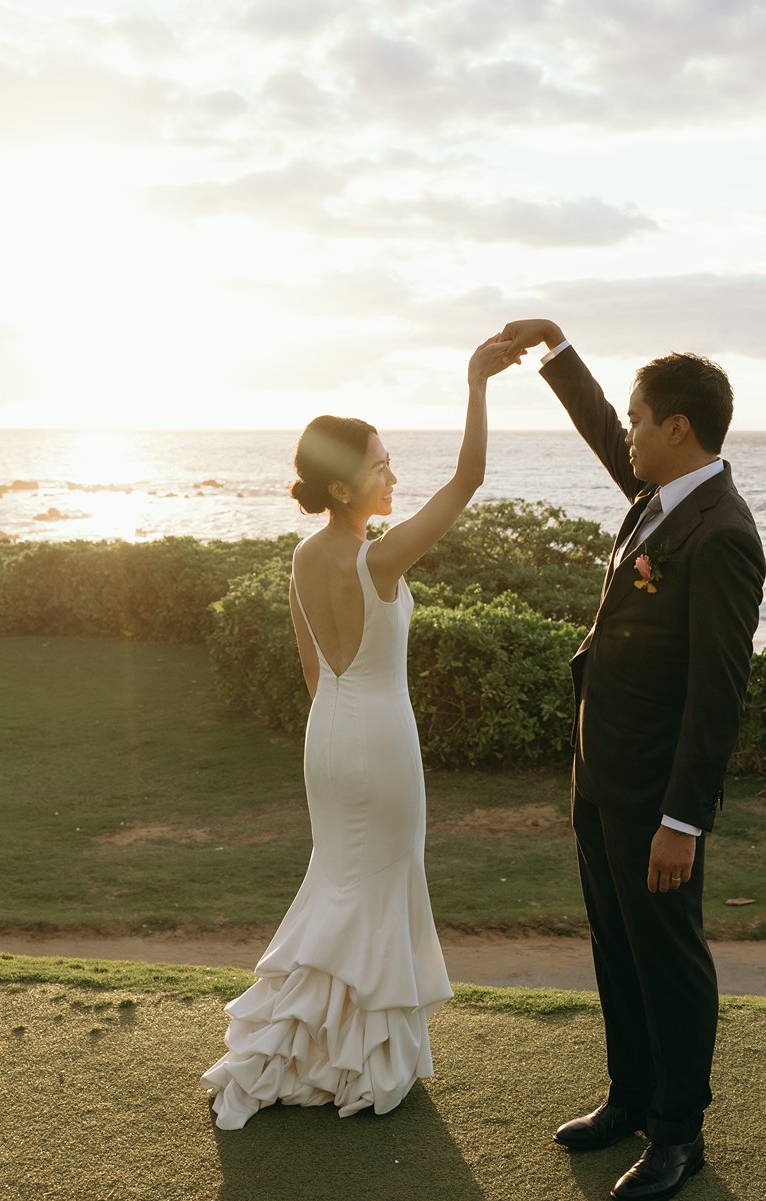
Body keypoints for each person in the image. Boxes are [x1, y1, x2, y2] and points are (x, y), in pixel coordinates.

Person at [201, 337, 520, 1128]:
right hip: (379, 736)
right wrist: (475, 381)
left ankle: (305, 1045)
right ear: (343, 487)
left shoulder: (304, 558)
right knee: (376, 887)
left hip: (329, 736)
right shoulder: (378, 561)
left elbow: (314, 672)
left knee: (340, 883)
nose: (394, 476)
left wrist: (336, 732)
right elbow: (470, 479)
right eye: (382, 466)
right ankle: (360, 1059)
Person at [499, 318, 765, 1201]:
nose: (630, 435)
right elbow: (607, 440)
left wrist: (682, 819)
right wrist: (559, 354)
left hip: (657, 796)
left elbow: (716, 692)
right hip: (599, 774)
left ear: (678, 428)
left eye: (641, 420)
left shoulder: (722, 533)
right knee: (614, 942)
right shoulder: (657, 497)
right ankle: (630, 1097)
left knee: (668, 957)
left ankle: (678, 1135)